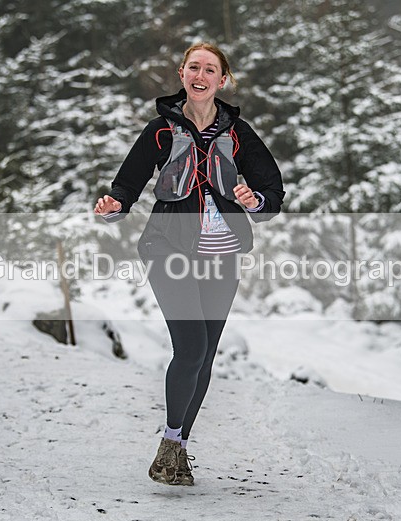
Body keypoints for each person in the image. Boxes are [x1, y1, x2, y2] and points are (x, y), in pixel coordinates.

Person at [93, 42, 285, 486]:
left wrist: (254, 200)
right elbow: (127, 184)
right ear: (182, 74)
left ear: (223, 80)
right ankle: (170, 441)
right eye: (193, 67)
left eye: (210, 69)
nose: (201, 75)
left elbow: (271, 191)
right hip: (168, 247)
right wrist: (114, 204)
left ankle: (176, 447)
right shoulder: (161, 130)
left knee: (205, 356)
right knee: (192, 348)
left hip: (222, 254)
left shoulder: (239, 133)